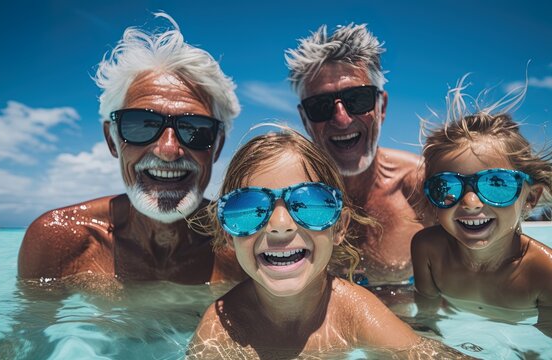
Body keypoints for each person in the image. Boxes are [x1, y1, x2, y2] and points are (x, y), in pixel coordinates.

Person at [185, 129, 468, 359]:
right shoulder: (222, 327)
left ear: (340, 227)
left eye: (308, 203)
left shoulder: (353, 312)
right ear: (227, 233)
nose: (280, 224)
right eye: (248, 208)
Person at [17, 12, 245, 286]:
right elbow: (28, 330)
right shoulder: (60, 239)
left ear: (217, 146)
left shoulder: (243, 247)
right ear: (112, 140)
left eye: (194, 130)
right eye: (141, 125)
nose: (168, 149)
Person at [411, 76, 552, 347]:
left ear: (530, 198)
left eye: (496, 184)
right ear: (432, 197)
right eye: (447, 186)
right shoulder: (427, 248)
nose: (471, 202)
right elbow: (426, 320)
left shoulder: (549, 272)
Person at [285, 24, 432, 285]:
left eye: (358, 99)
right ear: (305, 119)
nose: (341, 119)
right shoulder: (288, 195)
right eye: (320, 106)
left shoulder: (420, 186)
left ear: (381, 106)